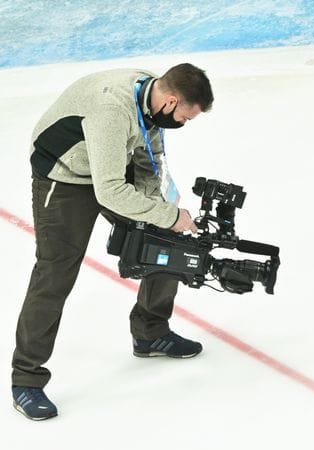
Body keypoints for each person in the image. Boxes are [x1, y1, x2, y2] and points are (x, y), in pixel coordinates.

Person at [11, 63, 214, 421]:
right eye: (185, 117)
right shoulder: (112, 110)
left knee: (167, 239)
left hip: (108, 163)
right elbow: (110, 192)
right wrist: (167, 215)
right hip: (64, 174)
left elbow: (149, 156)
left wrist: (162, 213)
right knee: (54, 274)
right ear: (170, 101)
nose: (183, 124)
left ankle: (150, 332)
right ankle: (26, 380)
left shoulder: (149, 95)